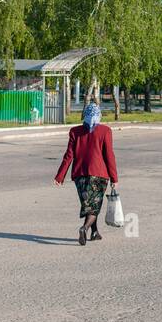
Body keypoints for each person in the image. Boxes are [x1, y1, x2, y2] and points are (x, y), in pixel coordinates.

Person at [53, 101, 119, 246]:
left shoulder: (74, 131)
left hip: (79, 175)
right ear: (99, 115)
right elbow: (109, 156)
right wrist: (114, 177)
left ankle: (94, 233)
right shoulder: (105, 131)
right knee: (94, 206)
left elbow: (68, 155)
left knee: (90, 205)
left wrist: (60, 176)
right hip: (99, 175)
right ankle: (85, 228)